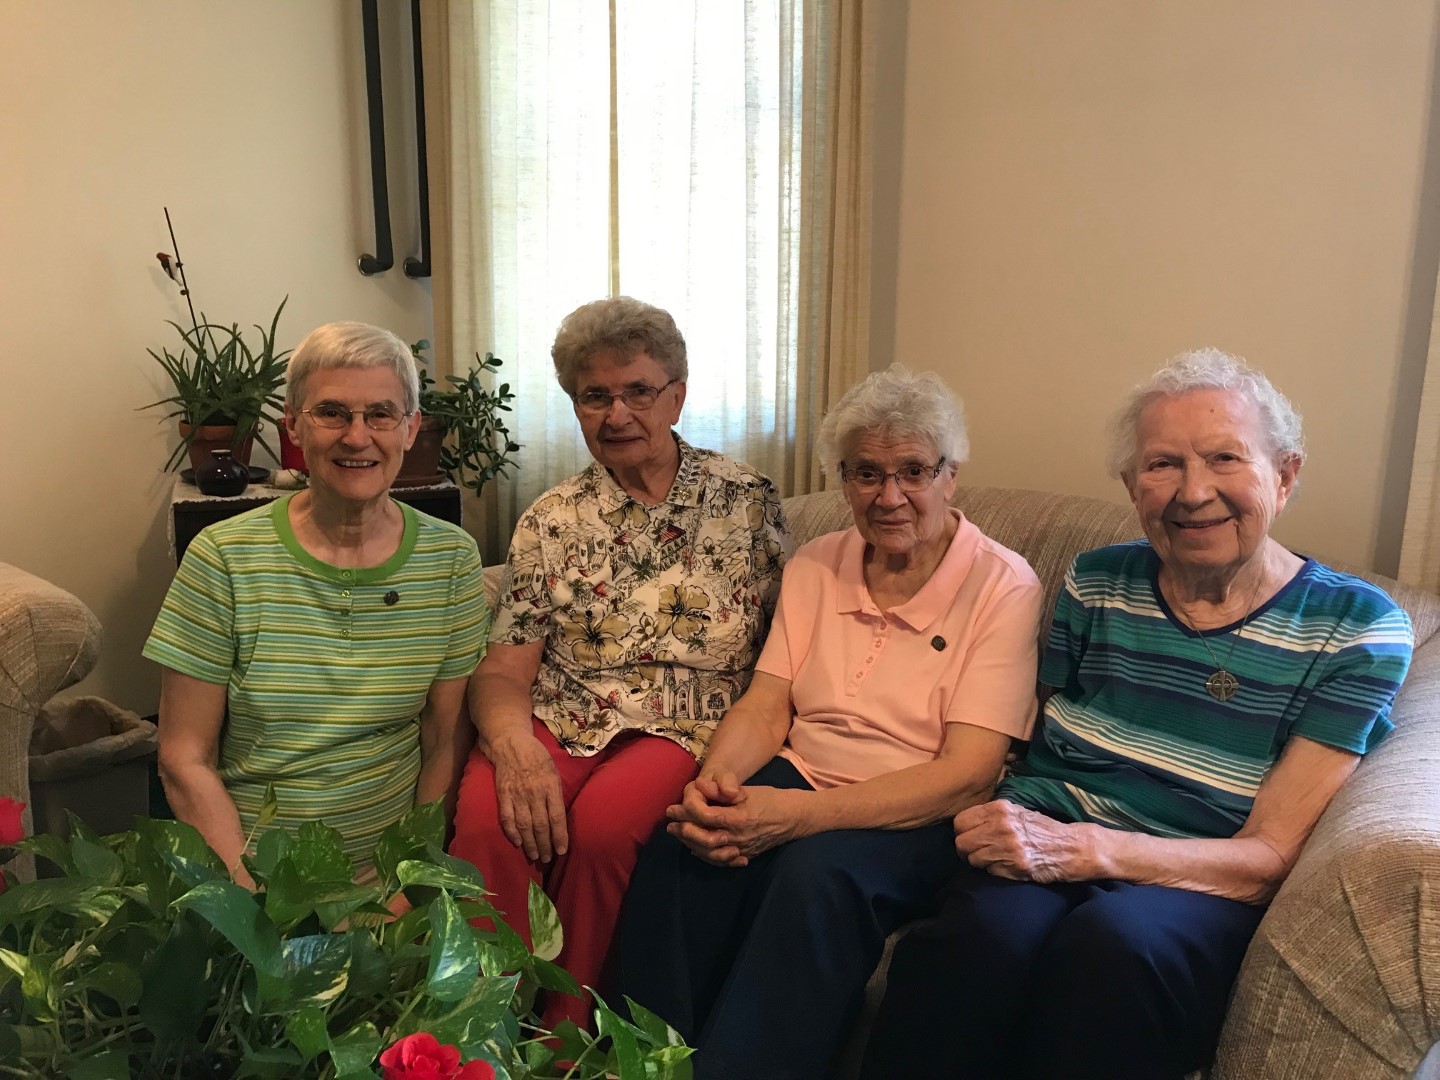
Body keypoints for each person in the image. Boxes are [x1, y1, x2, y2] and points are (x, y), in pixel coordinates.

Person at [861, 348, 1415, 1080]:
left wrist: (1093, 851)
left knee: (1116, 946)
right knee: (977, 941)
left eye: (1225, 458)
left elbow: (1268, 855)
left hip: (1195, 872)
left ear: (1285, 474)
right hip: (1043, 835)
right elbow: (1035, 741)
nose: (1193, 492)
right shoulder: (1096, 580)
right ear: (1131, 484)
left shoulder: (1357, 627)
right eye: (1162, 465)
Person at [618, 365, 1045, 1080]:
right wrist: (716, 787)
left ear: (951, 474)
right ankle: (636, 1064)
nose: (889, 496)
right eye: (865, 473)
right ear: (843, 479)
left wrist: (798, 815)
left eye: (913, 470)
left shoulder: (1004, 584)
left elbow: (967, 774)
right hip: (802, 770)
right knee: (685, 844)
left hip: (918, 806)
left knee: (815, 877)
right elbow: (767, 702)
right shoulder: (818, 563)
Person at [448, 296, 788, 1031]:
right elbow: (503, 671)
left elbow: (785, 649)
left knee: (604, 833)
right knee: (485, 824)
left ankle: (568, 1043)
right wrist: (512, 749)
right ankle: (472, 1037)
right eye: (594, 396)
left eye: (638, 390)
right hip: (558, 710)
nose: (617, 413)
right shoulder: (551, 517)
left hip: (683, 724)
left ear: (678, 395)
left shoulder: (747, 502)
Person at [146, 322, 489, 880]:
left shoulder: (450, 559)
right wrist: (254, 906)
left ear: (411, 429)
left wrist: (408, 882)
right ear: (294, 429)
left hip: (391, 880)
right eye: (332, 412)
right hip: (253, 878)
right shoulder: (223, 558)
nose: (358, 437)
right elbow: (183, 759)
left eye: (381, 414)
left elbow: (445, 742)